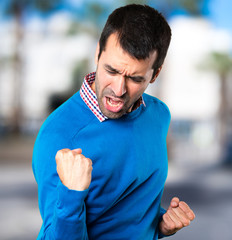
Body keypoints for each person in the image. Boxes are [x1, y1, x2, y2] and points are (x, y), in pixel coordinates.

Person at [32, 4, 195, 239]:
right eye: (111, 70)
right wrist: (71, 193)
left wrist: (160, 223)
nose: (118, 91)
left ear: (155, 74)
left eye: (135, 78)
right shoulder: (58, 136)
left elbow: (123, 211)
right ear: (98, 53)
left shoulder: (159, 115)